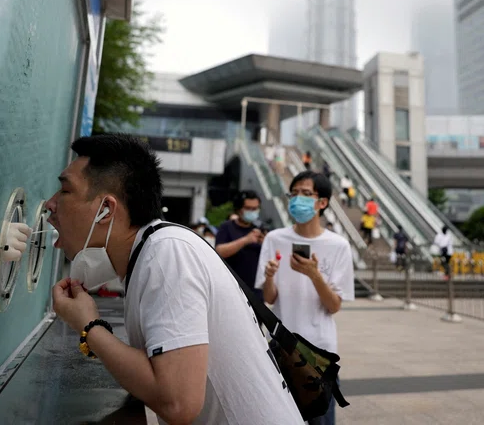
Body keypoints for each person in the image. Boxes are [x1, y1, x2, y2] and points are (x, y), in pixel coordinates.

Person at [47, 134, 303, 424]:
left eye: (64, 191)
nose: (49, 204)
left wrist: (89, 325)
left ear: (106, 210)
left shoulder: (165, 253)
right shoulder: (151, 251)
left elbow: (178, 402)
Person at [257, 171, 355, 425]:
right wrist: (269, 277)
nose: (297, 199)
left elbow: (333, 306)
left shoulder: (338, 245)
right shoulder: (274, 239)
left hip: (318, 352)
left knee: (318, 421)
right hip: (280, 347)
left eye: (306, 193)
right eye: (294, 193)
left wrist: (314, 275)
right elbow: (269, 298)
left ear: (322, 202)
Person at [215, 190, 265, 300]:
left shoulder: (261, 229)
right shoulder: (227, 227)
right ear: (238, 209)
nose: (252, 212)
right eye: (248, 208)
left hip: (256, 293)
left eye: (255, 208)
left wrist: (266, 242)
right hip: (231, 290)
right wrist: (245, 240)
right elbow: (219, 251)